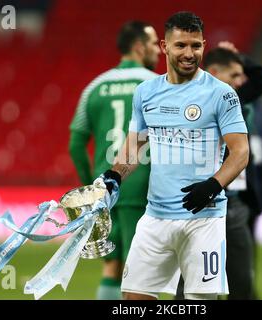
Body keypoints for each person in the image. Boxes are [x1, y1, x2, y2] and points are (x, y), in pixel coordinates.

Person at [99, 11, 249, 300]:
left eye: (196, 45)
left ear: (204, 44)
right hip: (155, 217)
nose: (189, 53)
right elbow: (134, 146)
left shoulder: (222, 94)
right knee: (133, 299)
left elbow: (241, 152)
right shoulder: (145, 92)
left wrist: (213, 185)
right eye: (181, 45)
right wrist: (114, 175)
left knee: (199, 302)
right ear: (165, 47)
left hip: (204, 219)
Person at [68, 21, 160, 300]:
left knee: (112, 264)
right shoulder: (156, 84)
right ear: (139, 47)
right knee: (142, 270)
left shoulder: (95, 86)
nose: (159, 51)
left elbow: (75, 143)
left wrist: (92, 188)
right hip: (143, 184)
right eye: (155, 44)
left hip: (105, 188)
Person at [174, 44, 262, 300]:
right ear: (215, 72)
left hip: (234, 205)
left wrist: (239, 57)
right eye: (234, 76)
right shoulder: (188, 99)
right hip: (198, 205)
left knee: (242, 283)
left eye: (241, 76)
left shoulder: (234, 99)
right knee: (193, 285)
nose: (241, 82)